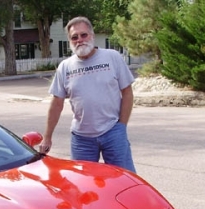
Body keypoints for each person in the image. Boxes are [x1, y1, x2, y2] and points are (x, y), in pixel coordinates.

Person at [40, 16, 136, 173]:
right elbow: (56, 104)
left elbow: (127, 92)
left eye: (83, 35)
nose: (80, 40)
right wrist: (47, 137)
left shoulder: (112, 57)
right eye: (74, 37)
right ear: (70, 41)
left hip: (112, 132)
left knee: (125, 179)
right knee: (83, 185)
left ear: (92, 35)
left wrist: (122, 126)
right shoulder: (65, 67)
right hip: (81, 139)